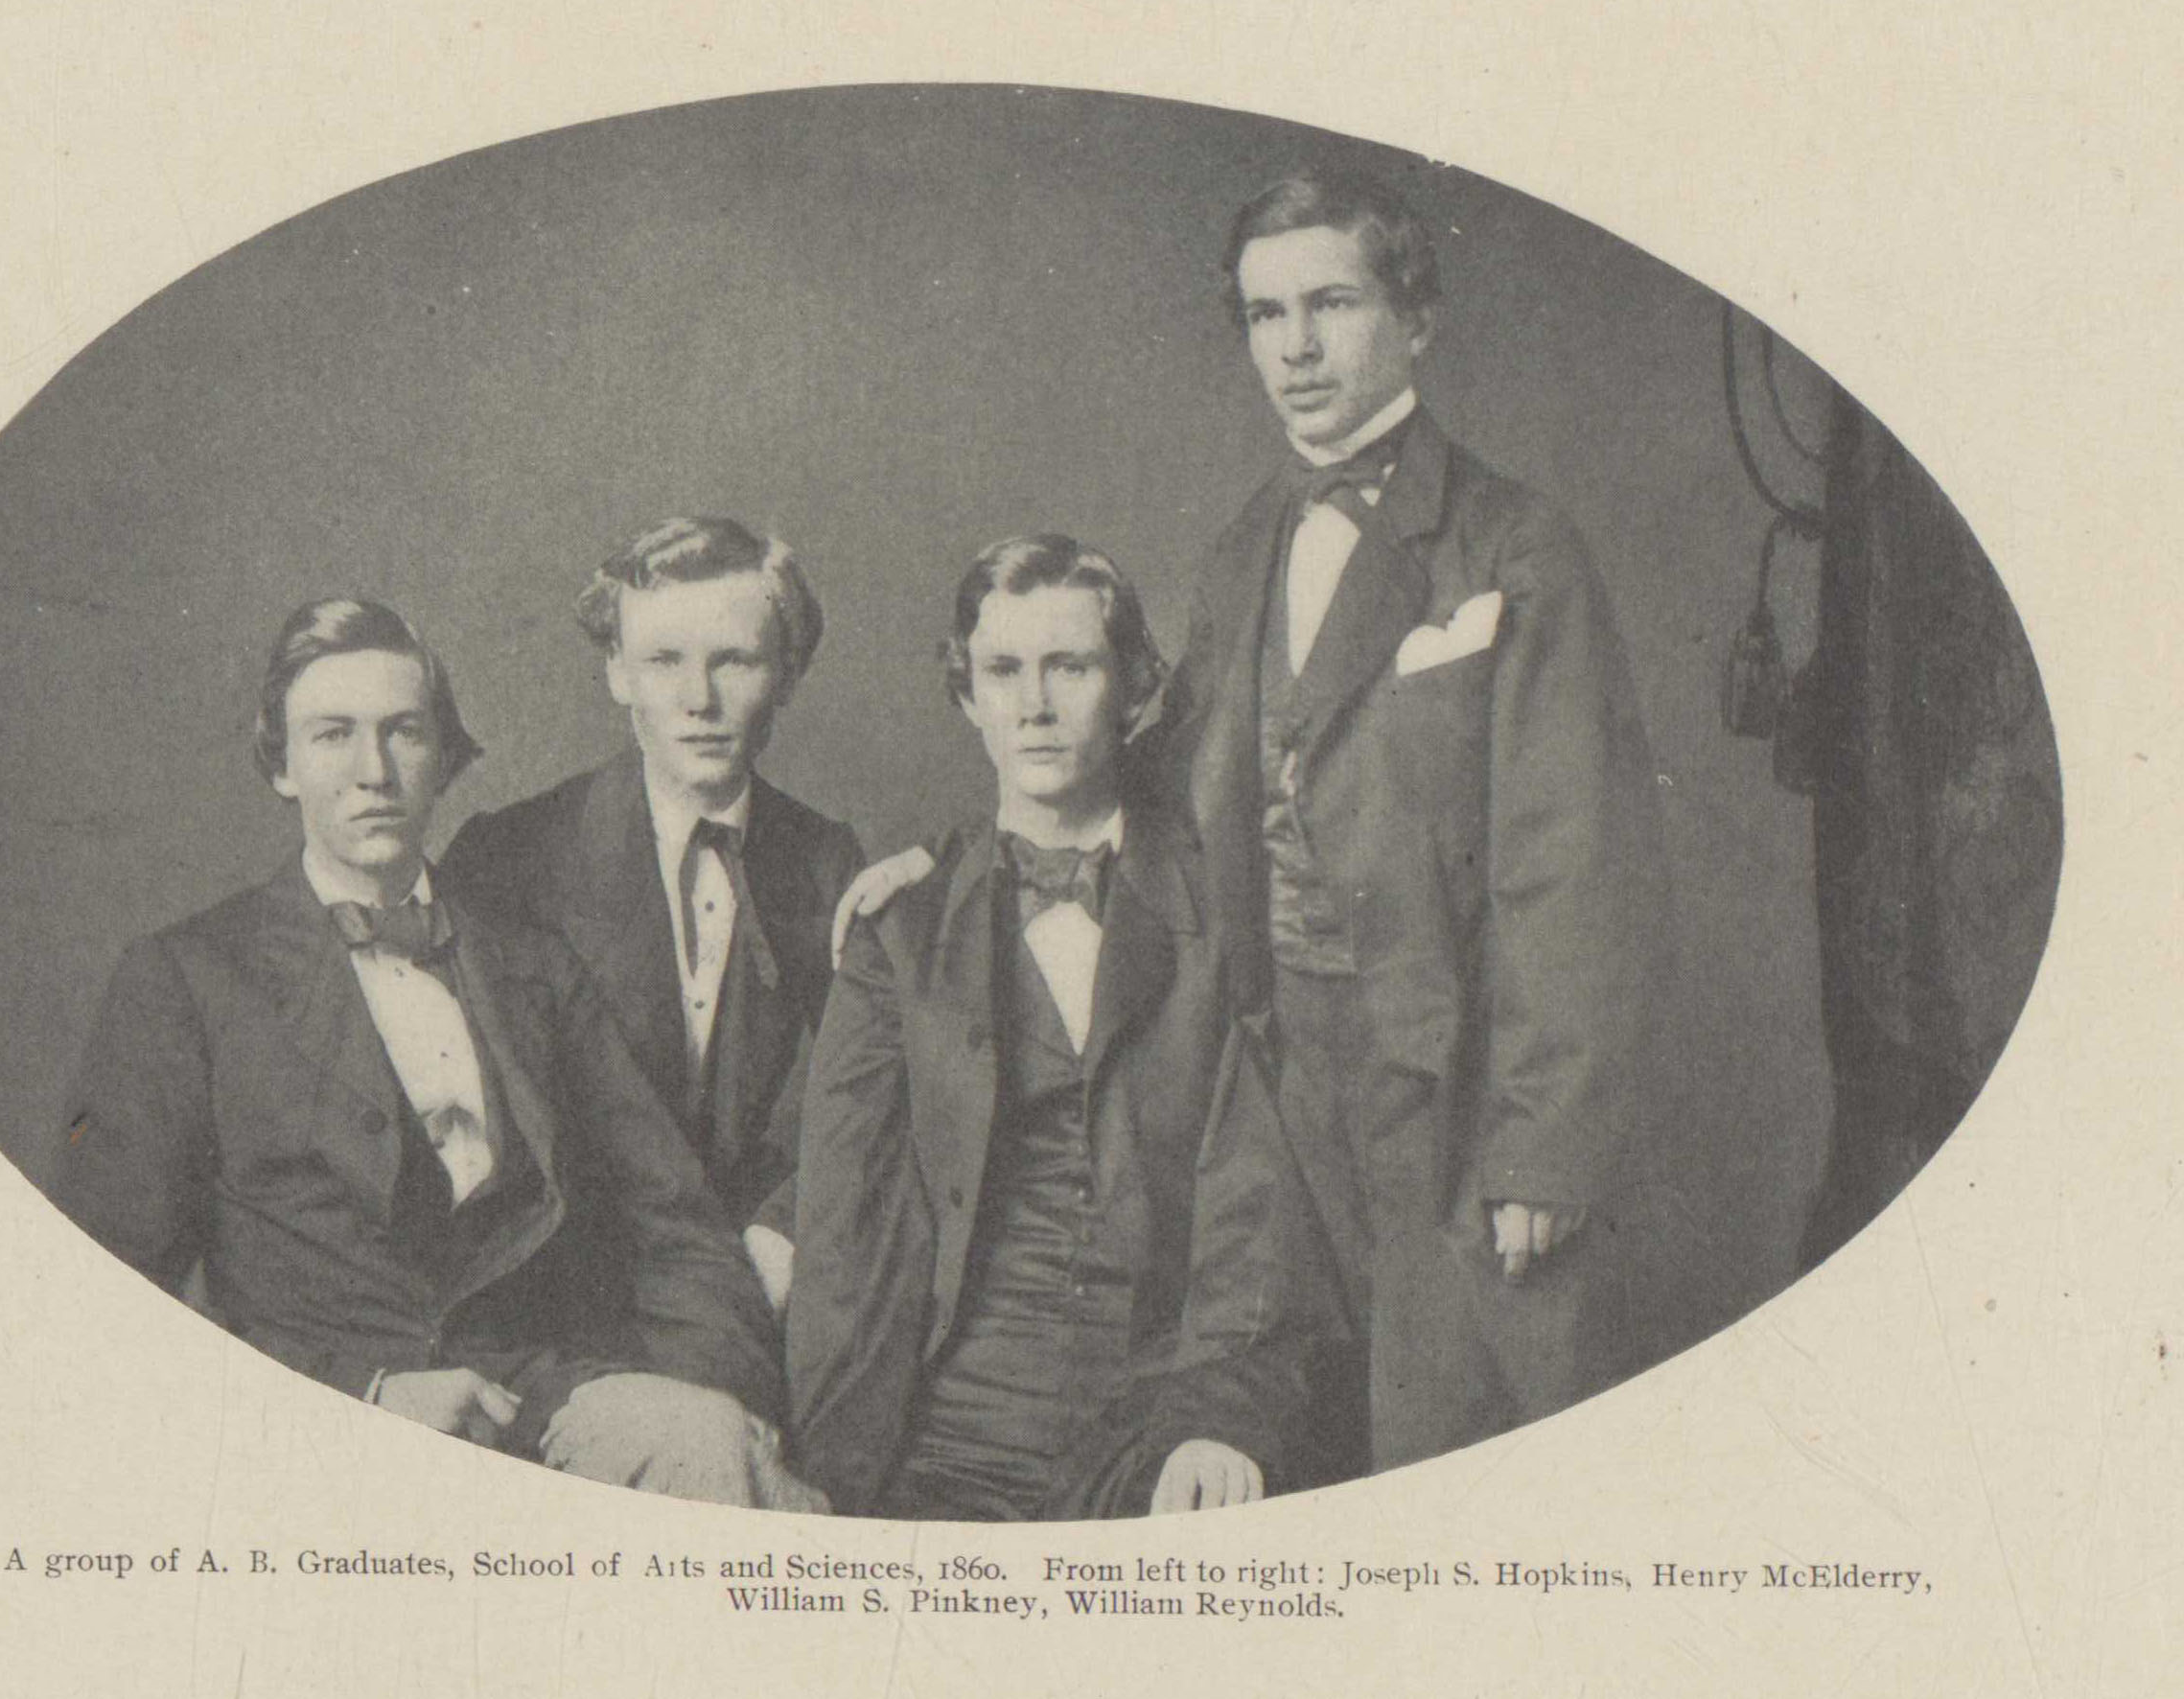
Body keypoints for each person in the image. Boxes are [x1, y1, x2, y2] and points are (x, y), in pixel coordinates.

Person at [839, 165, 1666, 1476]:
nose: (1293, 347)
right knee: (1290, 1439)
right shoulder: (1248, 547)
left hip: (1443, 1098)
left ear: (1417, 318)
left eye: (1329, 303)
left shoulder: (1515, 548)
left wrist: (1544, 1146)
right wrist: (953, 864)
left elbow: (1579, 867)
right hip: (1267, 1085)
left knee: (1457, 1458)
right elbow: (1143, 771)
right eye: (1262, 312)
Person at [50, 597, 809, 1505]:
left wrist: (715, 1390)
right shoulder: (187, 980)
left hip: (539, 1397)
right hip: (319, 1417)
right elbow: (102, 1296)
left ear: (445, 760)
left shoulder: (531, 965)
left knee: (705, 1445)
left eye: (404, 732)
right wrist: (362, 1395)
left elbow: (673, 1223)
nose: (373, 771)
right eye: (333, 736)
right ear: (281, 765)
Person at [787, 536, 1339, 1520]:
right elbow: (842, 1233)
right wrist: (839, 1470)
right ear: (965, 695)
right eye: (1002, 671)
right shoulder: (902, 931)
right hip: (945, 1428)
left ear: (1131, 688)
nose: (1033, 705)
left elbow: (1260, 1204)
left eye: (1069, 666)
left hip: (1158, 1414)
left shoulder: (1222, 910)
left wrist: (1222, 1413)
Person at [442, 519, 862, 1319]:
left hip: (761, 1287)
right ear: (615, 673)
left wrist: (780, 1234)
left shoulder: (826, 862)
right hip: (562, 1298)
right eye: (664, 661)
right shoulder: (507, 859)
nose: (698, 700)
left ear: (787, 674)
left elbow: (849, 1102)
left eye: (733, 660)